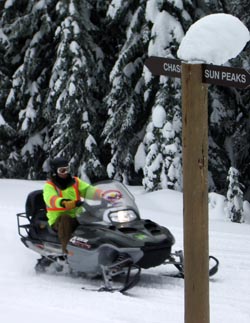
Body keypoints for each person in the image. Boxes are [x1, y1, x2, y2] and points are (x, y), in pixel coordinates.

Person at [43, 157, 103, 254]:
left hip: (77, 215)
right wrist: (64, 203)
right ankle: (67, 251)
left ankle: (97, 247)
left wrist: (102, 194)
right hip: (58, 219)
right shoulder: (50, 186)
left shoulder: (75, 181)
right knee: (65, 218)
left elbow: (88, 190)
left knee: (95, 216)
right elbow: (51, 199)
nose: (65, 172)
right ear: (55, 172)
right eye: (62, 170)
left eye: (67, 169)